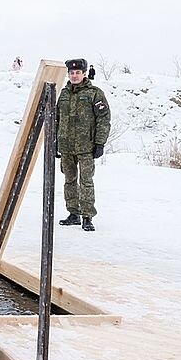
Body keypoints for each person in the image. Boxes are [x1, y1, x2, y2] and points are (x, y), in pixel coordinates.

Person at [55, 58, 111, 232]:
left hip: (86, 146)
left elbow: (104, 118)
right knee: (69, 181)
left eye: (78, 72)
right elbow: (56, 119)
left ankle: (87, 216)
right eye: (71, 73)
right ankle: (73, 213)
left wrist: (100, 143)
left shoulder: (95, 93)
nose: (74, 75)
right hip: (66, 146)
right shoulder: (63, 94)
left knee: (86, 182)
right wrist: (55, 143)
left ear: (84, 73)